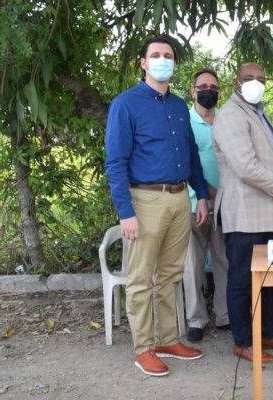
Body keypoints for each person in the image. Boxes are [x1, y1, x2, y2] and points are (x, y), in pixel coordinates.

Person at [105, 35, 209, 376]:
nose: (163, 60)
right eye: (156, 55)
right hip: (145, 200)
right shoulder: (126, 104)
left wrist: (201, 194)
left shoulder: (179, 106)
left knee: (170, 275)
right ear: (143, 63)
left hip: (180, 198)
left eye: (168, 55)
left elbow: (191, 154)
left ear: (174, 63)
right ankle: (144, 348)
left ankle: (167, 340)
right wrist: (126, 212)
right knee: (140, 279)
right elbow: (115, 162)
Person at [212, 62, 273, 363]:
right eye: (248, 78)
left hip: (270, 213)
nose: (255, 83)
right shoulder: (231, 114)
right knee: (242, 280)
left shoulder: (257, 112)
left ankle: (269, 333)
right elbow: (245, 168)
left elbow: (262, 159)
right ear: (235, 82)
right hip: (245, 215)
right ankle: (243, 341)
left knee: (271, 278)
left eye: (260, 78)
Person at [182, 68, 230, 343]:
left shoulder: (227, 120)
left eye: (213, 87)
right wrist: (206, 193)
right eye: (202, 87)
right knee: (193, 265)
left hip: (226, 204)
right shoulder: (184, 121)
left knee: (225, 261)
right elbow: (184, 163)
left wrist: (219, 197)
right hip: (192, 203)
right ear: (193, 91)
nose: (208, 91)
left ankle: (225, 316)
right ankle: (196, 320)